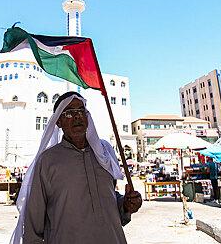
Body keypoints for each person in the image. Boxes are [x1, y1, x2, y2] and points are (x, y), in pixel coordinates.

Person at [11, 91, 142, 244]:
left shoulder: (104, 152)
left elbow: (109, 199)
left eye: (81, 111)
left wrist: (126, 205)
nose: (78, 116)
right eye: (69, 113)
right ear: (58, 122)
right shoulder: (47, 161)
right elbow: (34, 224)